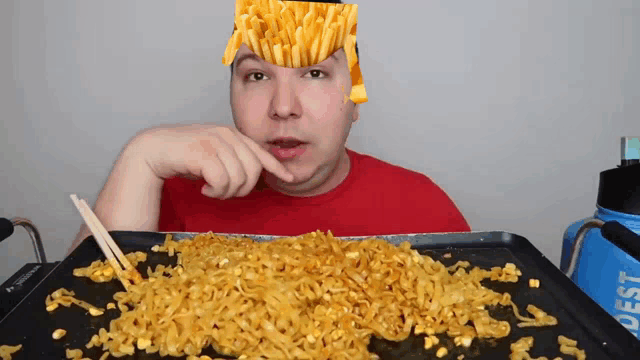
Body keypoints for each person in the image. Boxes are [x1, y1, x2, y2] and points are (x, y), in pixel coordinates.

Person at [68, 0, 470, 255]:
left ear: (356, 99)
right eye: (256, 76)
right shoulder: (163, 198)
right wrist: (142, 156)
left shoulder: (425, 209)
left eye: (314, 73)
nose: (283, 107)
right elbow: (78, 319)